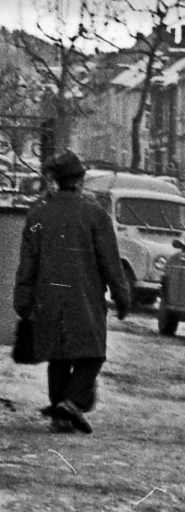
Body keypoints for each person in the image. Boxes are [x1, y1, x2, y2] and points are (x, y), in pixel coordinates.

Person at [12, 150, 134, 435]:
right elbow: (110, 263)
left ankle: (60, 413)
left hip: (48, 298)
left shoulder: (38, 214)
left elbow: (27, 264)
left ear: (55, 181)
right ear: (79, 181)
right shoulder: (94, 215)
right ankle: (71, 402)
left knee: (58, 355)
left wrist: (23, 299)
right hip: (84, 297)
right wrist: (122, 296)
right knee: (92, 355)